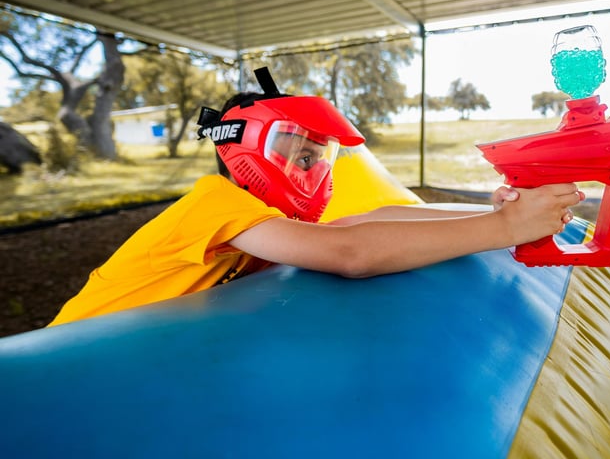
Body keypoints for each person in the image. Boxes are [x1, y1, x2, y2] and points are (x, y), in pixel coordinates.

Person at [49, 68, 583, 327]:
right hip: (72, 346)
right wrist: (505, 230)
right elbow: (350, 253)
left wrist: (492, 211)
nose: (311, 170)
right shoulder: (214, 202)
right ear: (241, 151)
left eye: (317, 156)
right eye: (297, 154)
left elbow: (373, 219)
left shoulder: (264, 222)